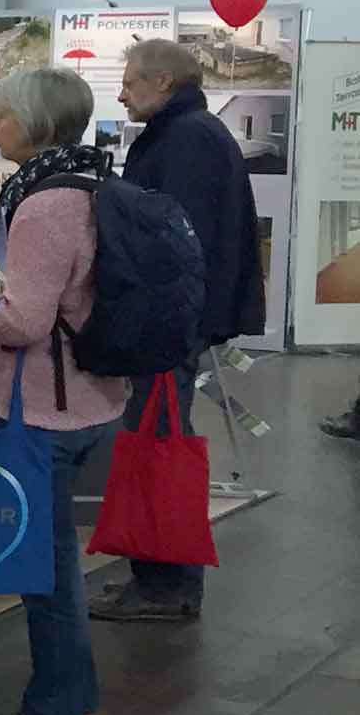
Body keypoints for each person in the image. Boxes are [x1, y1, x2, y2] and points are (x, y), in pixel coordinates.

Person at [0, 67, 125, 715]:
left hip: (40, 410)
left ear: (36, 121)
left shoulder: (46, 205)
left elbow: (22, 323)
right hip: (83, 400)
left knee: (41, 577)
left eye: (1, 113)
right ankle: (77, 706)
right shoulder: (92, 184)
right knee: (55, 566)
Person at [87, 38, 261, 624]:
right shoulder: (188, 133)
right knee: (155, 442)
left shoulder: (187, 139)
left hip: (166, 323)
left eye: (129, 82)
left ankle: (167, 584)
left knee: (159, 448)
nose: (121, 94)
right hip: (170, 320)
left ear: (162, 81)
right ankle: (156, 575)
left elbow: (171, 240)